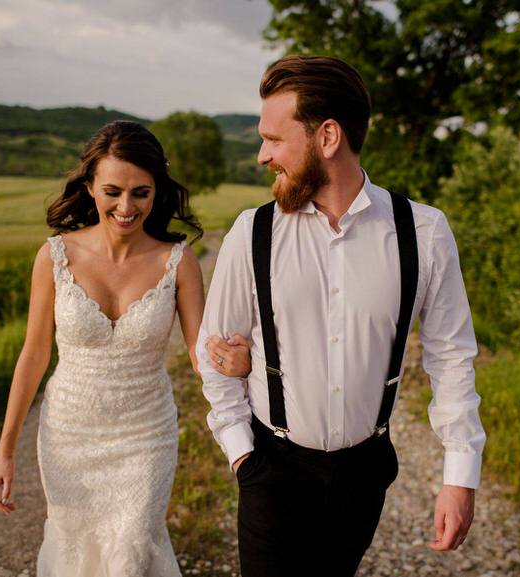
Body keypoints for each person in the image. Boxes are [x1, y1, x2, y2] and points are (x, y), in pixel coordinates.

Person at [199, 55, 486, 577]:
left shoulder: (423, 232)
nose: (263, 156)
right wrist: (244, 457)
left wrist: (459, 475)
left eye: (274, 139)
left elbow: (452, 357)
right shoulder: (252, 232)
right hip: (272, 470)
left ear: (327, 136)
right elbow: (212, 351)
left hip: (365, 472)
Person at [0, 120, 252, 576]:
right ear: (89, 187)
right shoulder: (54, 257)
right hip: (68, 434)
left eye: (141, 193)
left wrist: (239, 364)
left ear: (156, 191)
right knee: (74, 549)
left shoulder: (179, 261)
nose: (126, 207)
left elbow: (199, 353)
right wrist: (5, 451)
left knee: (131, 549)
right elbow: (33, 355)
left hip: (145, 434)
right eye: (112, 191)